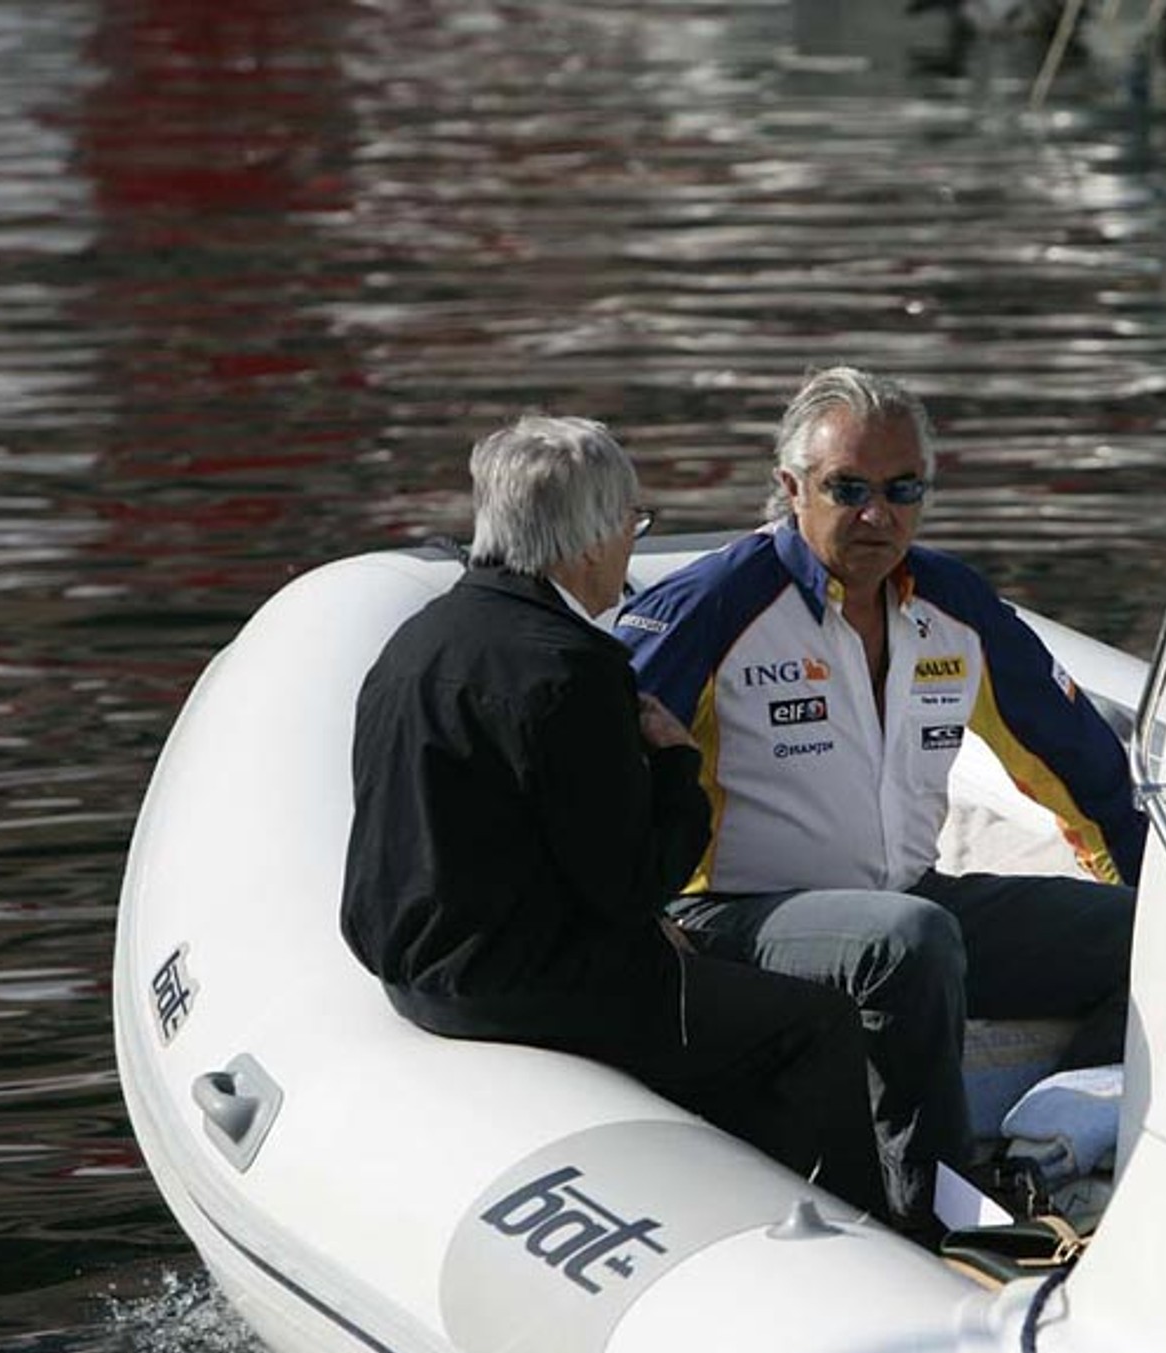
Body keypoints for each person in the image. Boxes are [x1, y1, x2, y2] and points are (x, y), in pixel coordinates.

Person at [614, 367, 1145, 1223]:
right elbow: (599, 778)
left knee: (1152, 935)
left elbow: (1079, 763)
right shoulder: (711, 605)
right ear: (791, 488)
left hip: (908, 903)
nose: (878, 515)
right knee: (907, 940)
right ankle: (929, 1215)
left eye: (904, 490)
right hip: (731, 919)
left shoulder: (954, 603)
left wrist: (1156, 889)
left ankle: (1046, 1150)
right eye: (848, 489)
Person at [340, 414, 889, 1223]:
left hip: (414, 974)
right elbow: (634, 881)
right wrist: (675, 764)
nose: (633, 545)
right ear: (592, 539)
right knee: (818, 1025)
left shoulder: (418, 641)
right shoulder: (568, 669)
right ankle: (862, 1231)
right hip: (516, 989)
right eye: (633, 524)